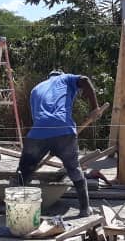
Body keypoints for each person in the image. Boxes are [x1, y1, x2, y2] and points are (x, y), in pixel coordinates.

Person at [15, 70, 100, 217]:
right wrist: (95, 108)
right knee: (74, 169)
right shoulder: (66, 78)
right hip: (64, 131)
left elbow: (38, 117)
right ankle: (85, 209)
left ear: (48, 77)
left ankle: (14, 206)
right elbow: (85, 79)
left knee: (25, 170)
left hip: (39, 132)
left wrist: (48, 144)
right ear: (60, 75)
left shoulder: (36, 88)